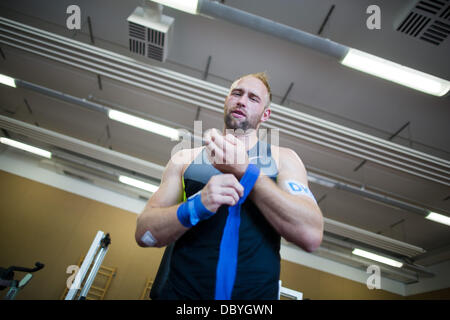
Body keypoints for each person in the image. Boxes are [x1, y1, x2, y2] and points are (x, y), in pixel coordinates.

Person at [135, 72, 324, 300]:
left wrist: (248, 173)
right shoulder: (184, 159)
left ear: (266, 114)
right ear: (226, 100)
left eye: (253, 98)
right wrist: (196, 205)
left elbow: (311, 235)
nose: (242, 100)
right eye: (237, 93)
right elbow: (144, 233)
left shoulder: (284, 159)